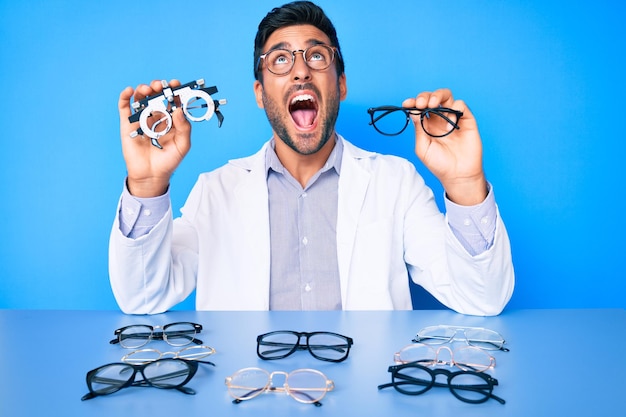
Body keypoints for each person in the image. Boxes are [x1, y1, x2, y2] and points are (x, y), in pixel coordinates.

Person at [109, 1, 514, 315]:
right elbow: (142, 297)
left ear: (339, 85)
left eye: (316, 55)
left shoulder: (396, 183)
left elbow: (483, 298)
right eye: (280, 59)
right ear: (259, 93)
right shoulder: (216, 192)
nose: (300, 71)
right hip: (250, 396)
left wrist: (464, 185)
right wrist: (147, 186)